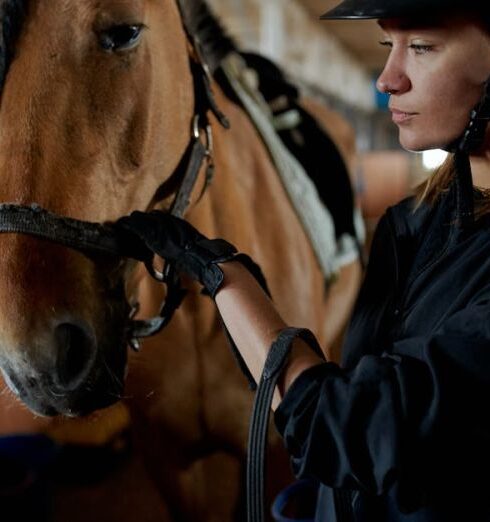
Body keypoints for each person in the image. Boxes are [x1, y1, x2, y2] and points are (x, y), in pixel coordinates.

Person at [117, 0, 490, 519]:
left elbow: (356, 427)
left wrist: (226, 276)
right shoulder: (414, 223)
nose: (387, 79)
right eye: (389, 47)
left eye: (422, 48)